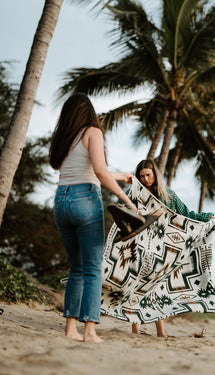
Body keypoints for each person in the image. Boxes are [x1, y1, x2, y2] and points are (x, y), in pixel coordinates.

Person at [49, 93, 136, 343]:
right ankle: (90, 331)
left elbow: (91, 169)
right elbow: (98, 171)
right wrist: (126, 199)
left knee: (76, 267)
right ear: (89, 112)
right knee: (92, 269)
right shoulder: (93, 132)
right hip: (85, 199)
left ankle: (70, 329)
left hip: (61, 201)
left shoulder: (63, 138)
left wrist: (121, 175)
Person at [131, 159, 215, 337]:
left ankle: (160, 332)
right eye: (141, 176)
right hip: (139, 245)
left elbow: (186, 214)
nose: (145, 179)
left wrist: (207, 216)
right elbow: (125, 212)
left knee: (155, 288)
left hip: (162, 248)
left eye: (148, 175)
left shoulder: (168, 195)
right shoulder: (135, 195)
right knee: (137, 287)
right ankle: (135, 329)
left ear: (155, 174)